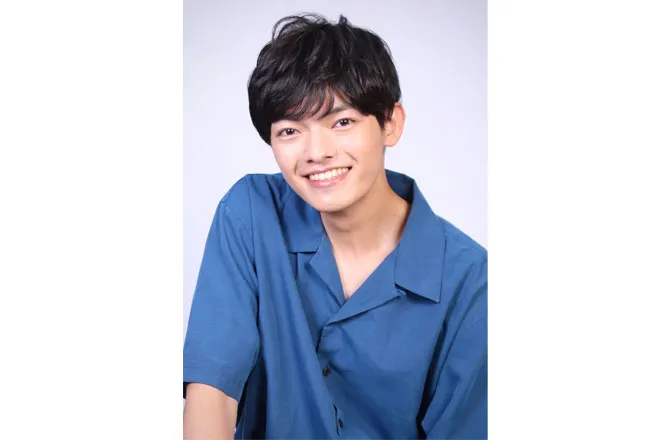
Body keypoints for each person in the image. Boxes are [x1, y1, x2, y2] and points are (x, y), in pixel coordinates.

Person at [183, 13, 487, 439]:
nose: (317, 152)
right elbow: (211, 391)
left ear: (390, 123)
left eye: (342, 122)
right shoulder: (250, 214)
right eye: (290, 131)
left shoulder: (471, 281)